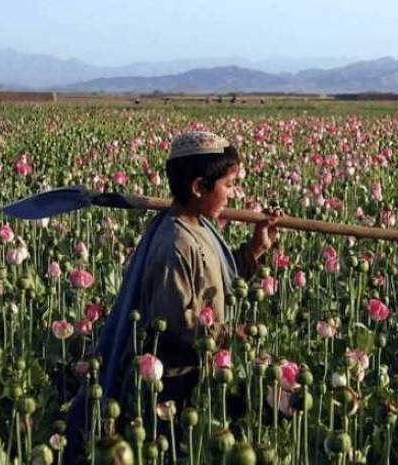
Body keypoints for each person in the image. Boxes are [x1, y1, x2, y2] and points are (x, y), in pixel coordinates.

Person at [65, 131, 280, 462]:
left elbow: (220, 279)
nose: (233, 195)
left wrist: (255, 249)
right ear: (198, 188)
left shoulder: (200, 226)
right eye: (228, 185)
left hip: (201, 377)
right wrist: (231, 334)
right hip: (173, 393)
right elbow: (177, 324)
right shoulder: (174, 244)